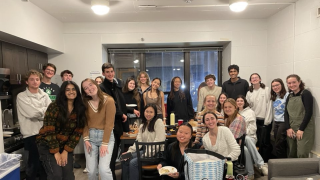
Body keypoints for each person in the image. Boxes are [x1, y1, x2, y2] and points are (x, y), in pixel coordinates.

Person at [37, 81, 86, 180]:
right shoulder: (54, 106)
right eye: (67, 90)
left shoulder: (80, 108)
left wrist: (66, 151)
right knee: (56, 175)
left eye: (73, 89)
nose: (71, 92)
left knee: (68, 176)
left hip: (65, 146)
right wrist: (56, 152)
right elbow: (49, 130)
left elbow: (77, 133)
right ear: (63, 92)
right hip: (47, 144)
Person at [17, 70, 51, 180]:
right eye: (31, 79)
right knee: (32, 167)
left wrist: (39, 112)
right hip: (31, 135)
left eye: (37, 79)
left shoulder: (44, 95)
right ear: (27, 82)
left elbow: (52, 112)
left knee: (45, 167)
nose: (35, 82)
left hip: (45, 134)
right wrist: (43, 111)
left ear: (40, 81)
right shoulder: (21, 96)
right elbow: (32, 114)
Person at [81, 78, 116, 180]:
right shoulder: (85, 102)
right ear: (84, 92)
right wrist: (86, 139)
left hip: (106, 137)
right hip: (90, 138)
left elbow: (109, 124)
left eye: (91, 85)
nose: (90, 89)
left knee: (103, 170)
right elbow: (84, 123)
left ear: (96, 84)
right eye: (86, 88)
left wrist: (104, 143)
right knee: (91, 171)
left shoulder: (108, 100)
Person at [99, 63, 128, 180]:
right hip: (111, 125)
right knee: (110, 157)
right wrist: (121, 114)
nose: (110, 74)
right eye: (107, 72)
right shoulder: (102, 88)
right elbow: (108, 106)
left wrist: (128, 110)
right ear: (103, 73)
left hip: (119, 124)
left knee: (115, 154)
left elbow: (120, 103)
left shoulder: (116, 85)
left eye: (111, 71)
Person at [122, 104, 166, 180]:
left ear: (155, 113)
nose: (148, 114)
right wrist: (129, 152)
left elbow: (158, 142)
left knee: (133, 163)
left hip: (157, 154)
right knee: (124, 158)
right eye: (147, 111)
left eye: (151, 112)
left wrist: (145, 155)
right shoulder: (142, 125)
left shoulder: (158, 122)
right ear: (144, 112)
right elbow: (138, 142)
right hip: (146, 152)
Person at [236, 95, 268, 179]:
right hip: (239, 139)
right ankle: (251, 173)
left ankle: (260, 164)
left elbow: (253, 128)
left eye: (241, 101)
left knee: (246, 138)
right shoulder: (234, 112)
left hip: (250, 137)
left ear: (244, 102)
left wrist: (243, 134)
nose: (239, 102)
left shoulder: (250, 112)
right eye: (238, 101)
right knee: (245, 149)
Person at [285, 74, 314, 158]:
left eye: (294, 82)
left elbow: (309, 113)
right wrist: (288, 128)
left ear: (299, 82)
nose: (291, 85)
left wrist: (301, 129)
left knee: (302, 153)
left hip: (304, 128)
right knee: (291, 152)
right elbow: (285, 113)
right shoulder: (289, 95)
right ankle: (292, 170)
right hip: (291, 127)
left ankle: (302, 171)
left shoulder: (306, 94)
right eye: (289, 83)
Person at [246, 73, 272, 162]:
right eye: (252, 78)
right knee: (256, 141)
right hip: (254, 120)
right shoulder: (249, 92)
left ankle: (265, 162)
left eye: (256, 77)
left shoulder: (266, 89)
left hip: (264, 119)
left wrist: (267, 120)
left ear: (260, 79)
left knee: (265, 142)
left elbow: (269, 105)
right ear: (250, 81)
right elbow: (248, 106)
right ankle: (257, 161)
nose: (254, 79)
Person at [270, 78, 289, 158]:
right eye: (273, 86)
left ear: (282, 85)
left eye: (277, 85)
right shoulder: (275, 97)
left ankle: (281, 164)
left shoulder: (287, 95)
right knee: (276, 142)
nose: (275, 87)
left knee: (279, 144)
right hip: (276, 121)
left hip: (283, 121)